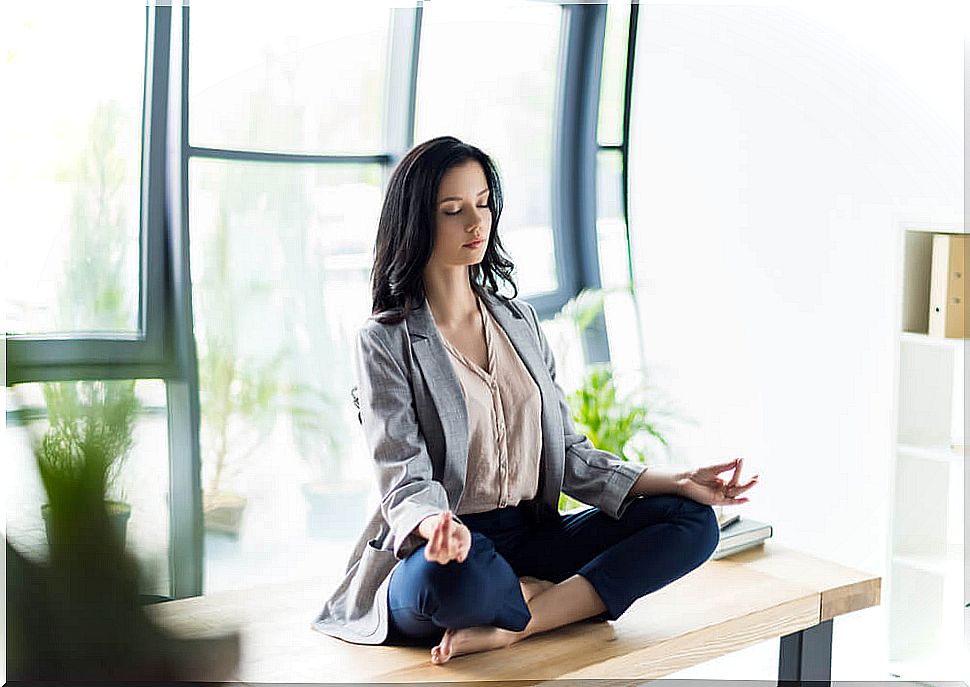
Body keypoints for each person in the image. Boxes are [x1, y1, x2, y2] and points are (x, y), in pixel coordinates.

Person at [312, 135, 760, 664]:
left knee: (690, 521)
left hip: (532, 535)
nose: (476, 223)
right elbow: (402, 473)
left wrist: (680, 480)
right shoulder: (385, 340)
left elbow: (570, 456)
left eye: (483, 203)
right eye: (453, 210)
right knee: (449, 583)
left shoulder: (519, 321)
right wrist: (438, 527)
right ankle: (531, 598)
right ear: (417, 222)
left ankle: (519, 623)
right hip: (444, 545)